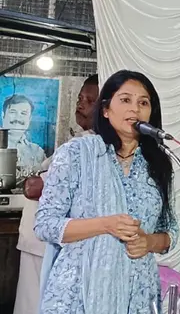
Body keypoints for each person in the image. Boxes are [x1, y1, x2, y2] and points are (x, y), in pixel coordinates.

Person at [34, 70, 178, 314]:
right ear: (105, 110)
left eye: (143, 102)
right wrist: (105, 224)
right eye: (125, 100)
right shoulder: (77, 154)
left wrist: (148, 241)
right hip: (77, 293)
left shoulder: (159, 164)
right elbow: (45, 225)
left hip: (137, 294)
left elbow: (170, 231)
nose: (135, 109)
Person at [13, 75, 98, 314]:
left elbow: (33, 188)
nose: (81, 105)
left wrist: (35, 179)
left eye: (90, 100)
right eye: (80, 98)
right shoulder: (79, 142)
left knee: (32, 305)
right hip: (38, 242)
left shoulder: (87, 146)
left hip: (47, 245)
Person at [2, 94, 46, 173]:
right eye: (13, 112)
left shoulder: (37, 152)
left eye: (23, 113)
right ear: (3, 116)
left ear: (30, 119)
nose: (18, 118)